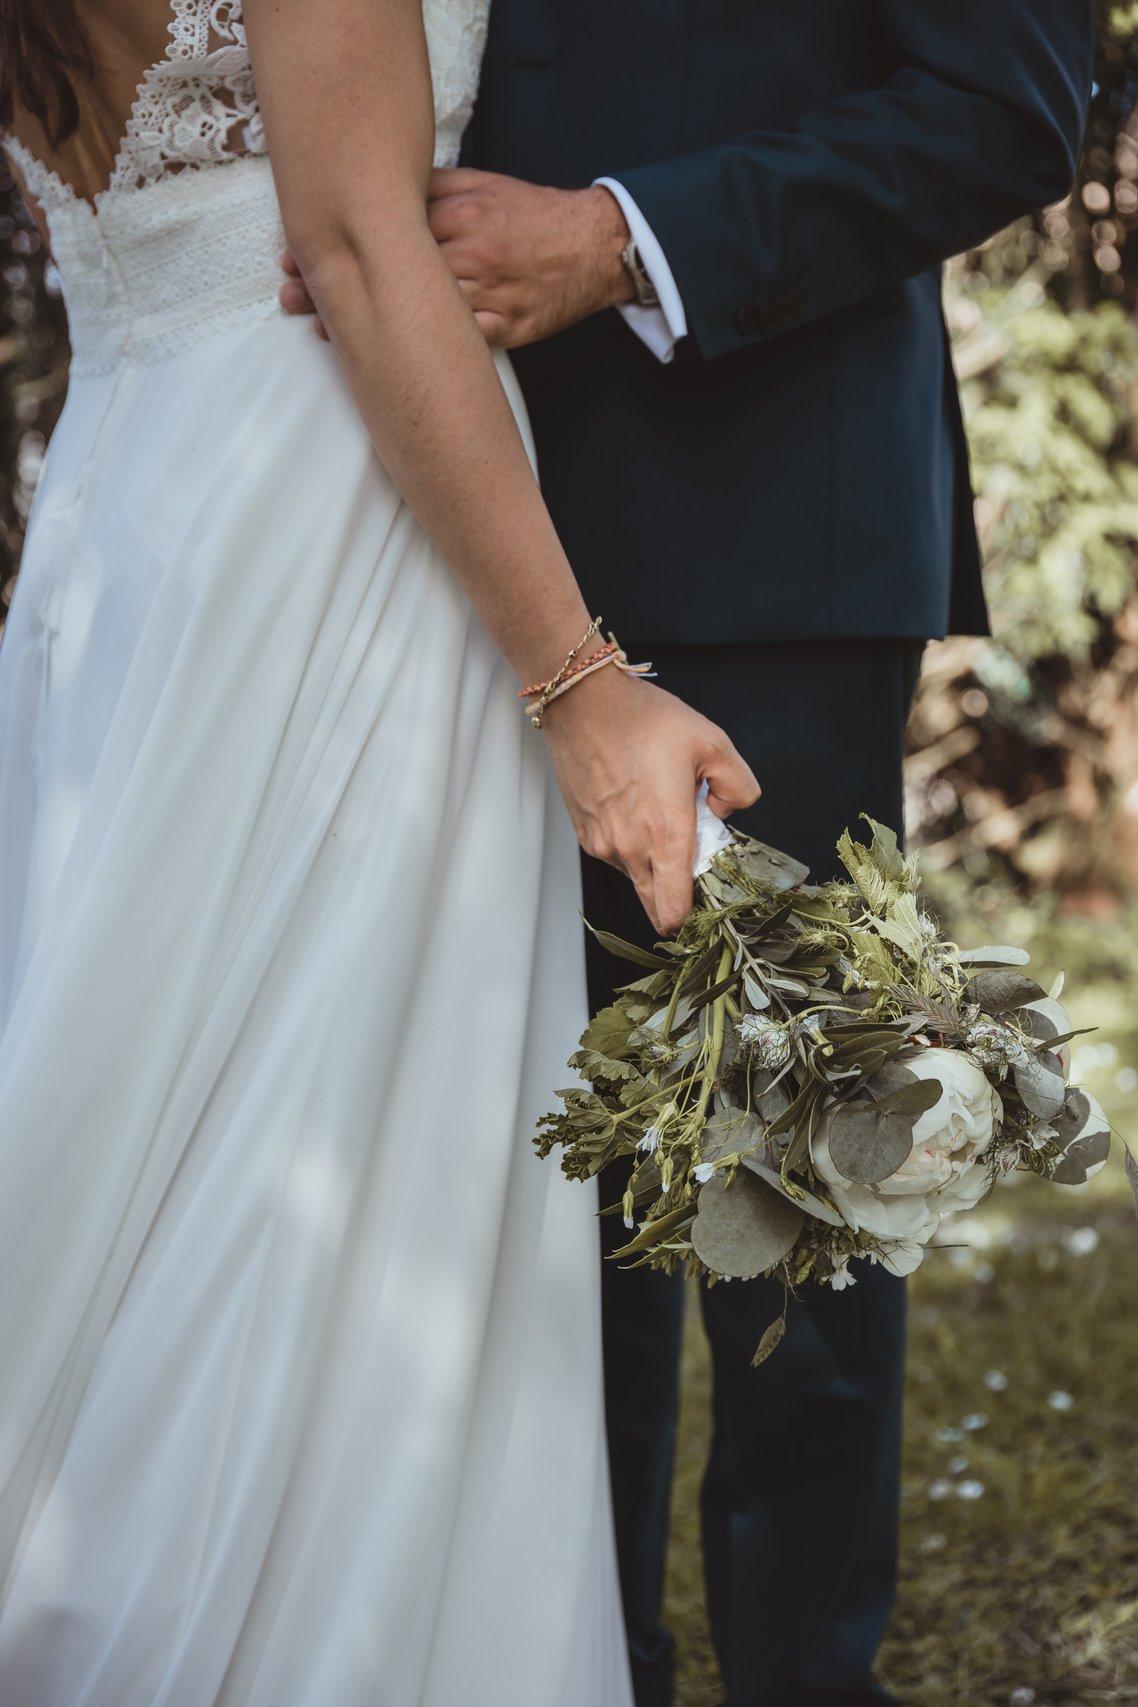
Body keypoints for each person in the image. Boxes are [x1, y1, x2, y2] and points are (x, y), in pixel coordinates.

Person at [280, 7, 1095, 1705]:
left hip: (756, 503)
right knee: (497, 1182)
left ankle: (805, 1672)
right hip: (375, 521)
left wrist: (620, 238)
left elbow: (1009, 104)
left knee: (798, 1166)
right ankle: (567, 1665)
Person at [0, 1, 759, 1702]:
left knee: (175, 1117)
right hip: (332, 510)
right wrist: (580, 682)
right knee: (324, 1125)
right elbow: (350, 251)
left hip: (131, 501)